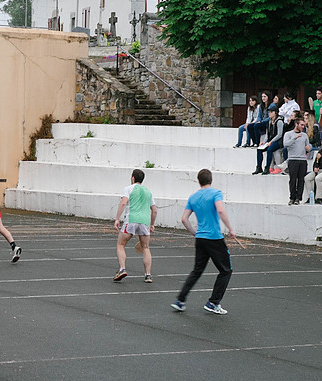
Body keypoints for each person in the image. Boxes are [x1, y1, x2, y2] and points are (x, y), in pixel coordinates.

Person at [172, 169, 237, 315]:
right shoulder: (215, 193)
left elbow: (184, 219)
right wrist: (230, 229)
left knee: (197, 270)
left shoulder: (193, 197)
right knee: (226, 270)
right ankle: (213, 302)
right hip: (214, 238)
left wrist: (195, 233)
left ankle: (180, 300)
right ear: (211, 180)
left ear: (198, 180)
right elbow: (220, 210)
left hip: (200, 238)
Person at [112, 168, 158, 283]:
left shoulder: (128, 189)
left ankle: (122, 269)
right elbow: (154, 210)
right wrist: (152, 224)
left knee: (121, 244)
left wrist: (117, 219)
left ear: (133, 178)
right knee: (146, 248)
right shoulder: (148, 192)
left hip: (131, 220)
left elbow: (123, 203)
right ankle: (148, 275)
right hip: (144, 222)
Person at [283, 117, 311, 204]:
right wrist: (294, 138)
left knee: (301, 180)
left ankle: (298, 198)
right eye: (301, 125)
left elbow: (308, 147)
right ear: (296, 125)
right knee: (292, 180)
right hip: (293, 159)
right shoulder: (288, 134)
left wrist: (308, 148)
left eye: (304, 125)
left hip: (302, 160)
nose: (303, 127)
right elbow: (285, 144)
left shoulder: (305, 135)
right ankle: (292, 197)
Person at [253, 104, 284, 174]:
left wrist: (271, 142)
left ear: (275, 112)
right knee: (259, 149)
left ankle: (268, 167)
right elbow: (267, 134)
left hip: (278, 141)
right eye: (269, 112)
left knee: (270, 149)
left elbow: (279, 134)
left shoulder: (279, 121)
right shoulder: (269, 121)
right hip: (270, 140)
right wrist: (264, 141)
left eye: (271, 112)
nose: (269, 113)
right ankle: (259, 167)